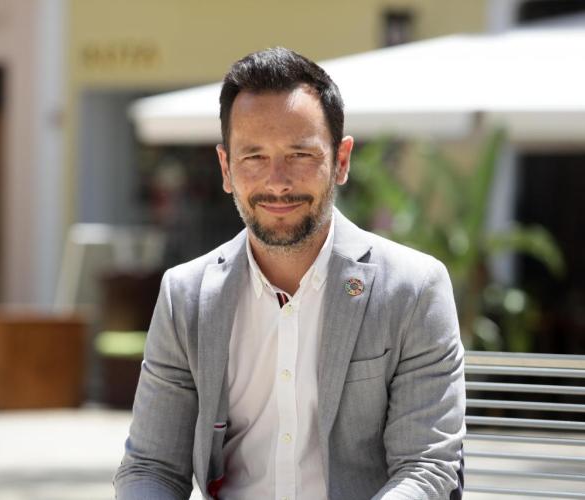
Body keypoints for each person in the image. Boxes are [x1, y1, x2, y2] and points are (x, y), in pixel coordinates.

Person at [114, 47, 465, 499]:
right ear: (226, 167)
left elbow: (426, 468)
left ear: (341, 160)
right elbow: (152, 467)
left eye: (300, 154)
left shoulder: (413, 290)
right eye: (254, 157)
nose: (277, 181)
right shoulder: (186, 295)